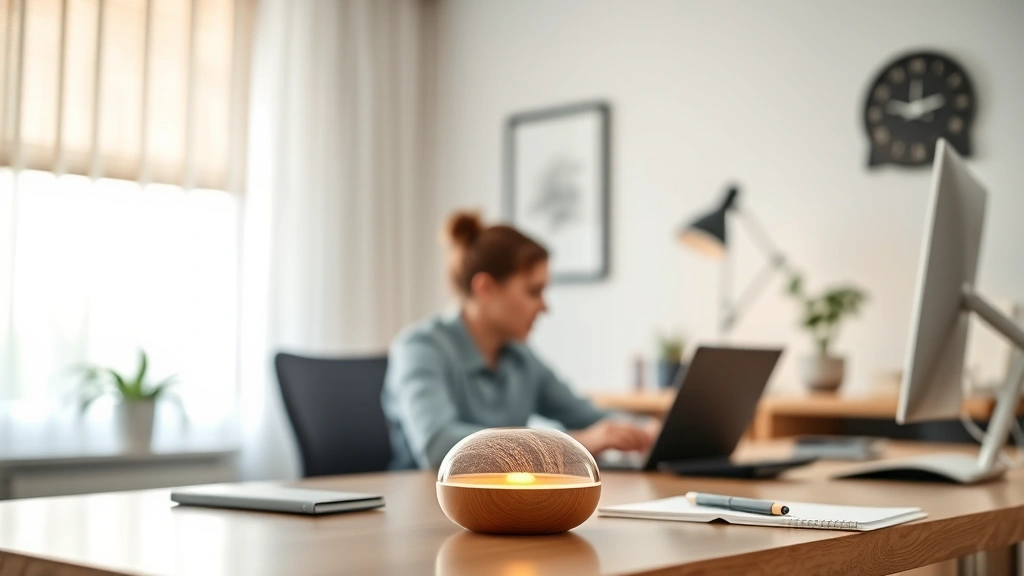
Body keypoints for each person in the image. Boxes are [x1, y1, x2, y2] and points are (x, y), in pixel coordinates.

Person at [382, 211, 656, 469]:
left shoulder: (520, 357)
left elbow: (587, 416)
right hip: (424, 498)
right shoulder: (419, 348)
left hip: (504, 498)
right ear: (485, 288)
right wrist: (571, 445)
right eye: (533, 292)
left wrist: (647, 430)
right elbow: (438, 445)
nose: (544, 307)